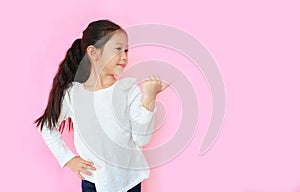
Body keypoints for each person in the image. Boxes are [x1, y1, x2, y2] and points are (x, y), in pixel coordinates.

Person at [34, 19, 170, 192]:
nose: (124, 57)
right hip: (94, 183)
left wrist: (149, 98)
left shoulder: (128, 90)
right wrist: (68, 159)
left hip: (130, 181)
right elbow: (47, 127)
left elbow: (141, 139)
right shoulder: (73, 94)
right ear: (93, 52)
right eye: (118, 49)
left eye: (126, 50)